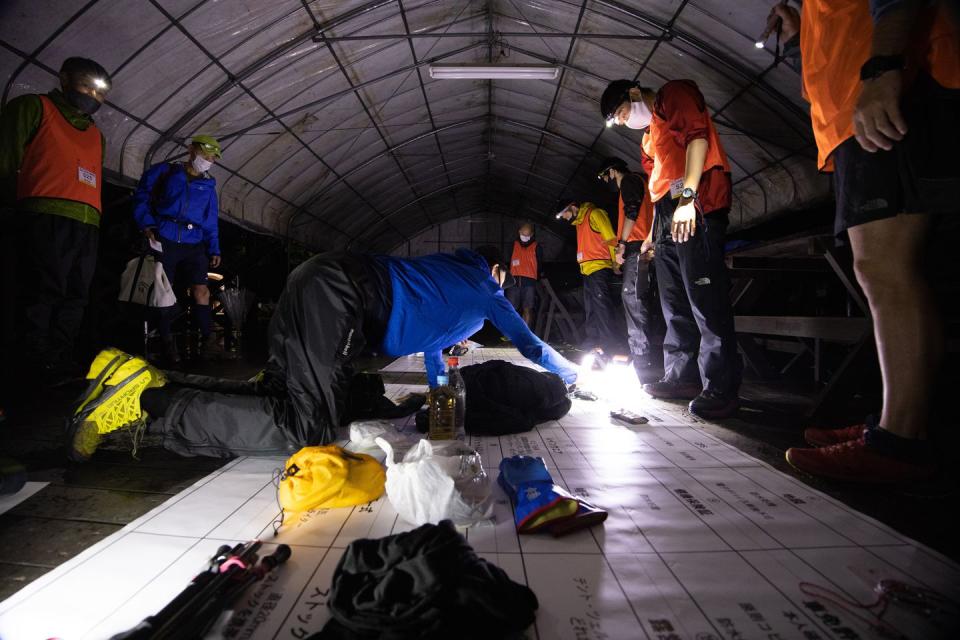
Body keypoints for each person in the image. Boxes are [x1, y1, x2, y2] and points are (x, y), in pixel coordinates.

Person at [67, 247, 579, 461]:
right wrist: (573, 374)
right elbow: (530, 345)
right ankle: (144, 407)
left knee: (280, 393)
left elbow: (433, 353)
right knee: (305, 428)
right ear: (498, 272)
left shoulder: (449, 279)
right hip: (341, 295)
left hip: (320, 280)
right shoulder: (486, 292)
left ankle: (146, 377)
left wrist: (438, 399)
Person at [767, 0, 958, 483]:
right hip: (856, 108)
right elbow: (829, 50)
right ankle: (895, 424)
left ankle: (900, 442)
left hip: (884, 92)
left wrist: (883, 69)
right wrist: (795, 42)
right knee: (883, 270)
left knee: (887, 268)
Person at [600, 77, 741, 419]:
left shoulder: (672, 95)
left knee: (704, 297)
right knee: (673, 300)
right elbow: (657, 185)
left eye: (621, 113)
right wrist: (652, 234)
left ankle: (720, 388)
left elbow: (698, 139)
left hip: (698, 201)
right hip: (667, 213)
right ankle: (681, 377)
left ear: (634, 94)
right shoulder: (649, 138)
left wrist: (689, 198)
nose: (623, 122)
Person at [0, 57, 111, 385]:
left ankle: (60, 356)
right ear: (64, 79)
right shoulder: (34, 107)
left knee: (77, 292)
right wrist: (8, 204)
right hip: (46, 213)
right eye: (87, 86)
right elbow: (6, 158)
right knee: (44, 288)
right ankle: (33, 359)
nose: (94, 95)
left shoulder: (96, 135)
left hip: (87, 220)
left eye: (101, 92)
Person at [132, 135, 224, 363]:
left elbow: (211, 220)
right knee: (164, 291)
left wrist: (214, 249)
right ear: (191, 149)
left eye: (212, 158)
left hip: (194, 242)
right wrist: (147, 224)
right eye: (205, 155)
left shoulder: (208, 186)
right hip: (166, 236)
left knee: (201, 290)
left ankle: (208, 341)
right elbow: (141, 195)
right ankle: (166, 344)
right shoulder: (166, 172)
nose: (208, 160)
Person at [597, 156, 664, 383]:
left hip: (636, 246)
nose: (608, 181)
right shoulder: (643, 181)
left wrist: (621, 244)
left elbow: (632, 211)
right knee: (642, 300)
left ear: (612, 172)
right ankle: (646, 358)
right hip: (644, 246)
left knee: (633, 299)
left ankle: (642, 362)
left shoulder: (628, 181)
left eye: (606, 176)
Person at [555, 200, 619, 353]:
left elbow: (610, 238)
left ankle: (608, 343)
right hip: (587, 270)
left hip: (599, 268)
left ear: (573, 207)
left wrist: (616, 262)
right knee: (591, 308)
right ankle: (593, 340)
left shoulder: (595, 214)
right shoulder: (579, 223)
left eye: (564, 213)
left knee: (602, 308)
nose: (564, 217)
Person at [506, 222, 544, 328]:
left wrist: (537, 277)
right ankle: (511, 333)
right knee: (511, 308)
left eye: (527, 235)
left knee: (528, 308)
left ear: (531, 234)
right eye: (523, 234)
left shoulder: (537, 247)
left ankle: (526, 333)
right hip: (513, 282)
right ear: (519, 232)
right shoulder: (513, 245)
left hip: (529, 283)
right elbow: (507, 262)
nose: (525, 237)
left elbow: (540, 264)